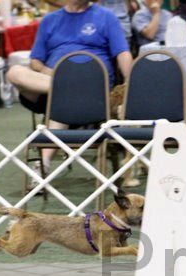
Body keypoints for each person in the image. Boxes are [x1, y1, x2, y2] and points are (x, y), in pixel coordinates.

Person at [7, 0, 133, 181]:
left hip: (92, 89)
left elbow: (122, 53)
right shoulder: (50, 20)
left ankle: (42, 166)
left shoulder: (106, 17)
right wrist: (47, 72)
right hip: (49, 85)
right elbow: (35, 61)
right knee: (14, 72)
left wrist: (130, 81)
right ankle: (67, 86)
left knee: (64, 99)